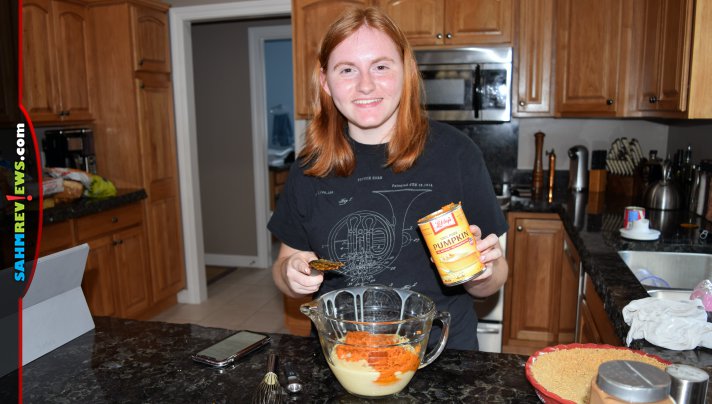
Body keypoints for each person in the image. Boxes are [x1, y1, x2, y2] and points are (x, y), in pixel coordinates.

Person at [268, 7, 508, 350]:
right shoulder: (309, 166)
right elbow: (282, 269)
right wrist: (291, 274)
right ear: (325, 81)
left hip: (442, 357)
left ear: (405, 72)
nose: (366, 84)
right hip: (342, 356)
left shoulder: (457, 153)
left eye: (380, 66)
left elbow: (495, 278)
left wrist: (483, 274)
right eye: (347, 69)